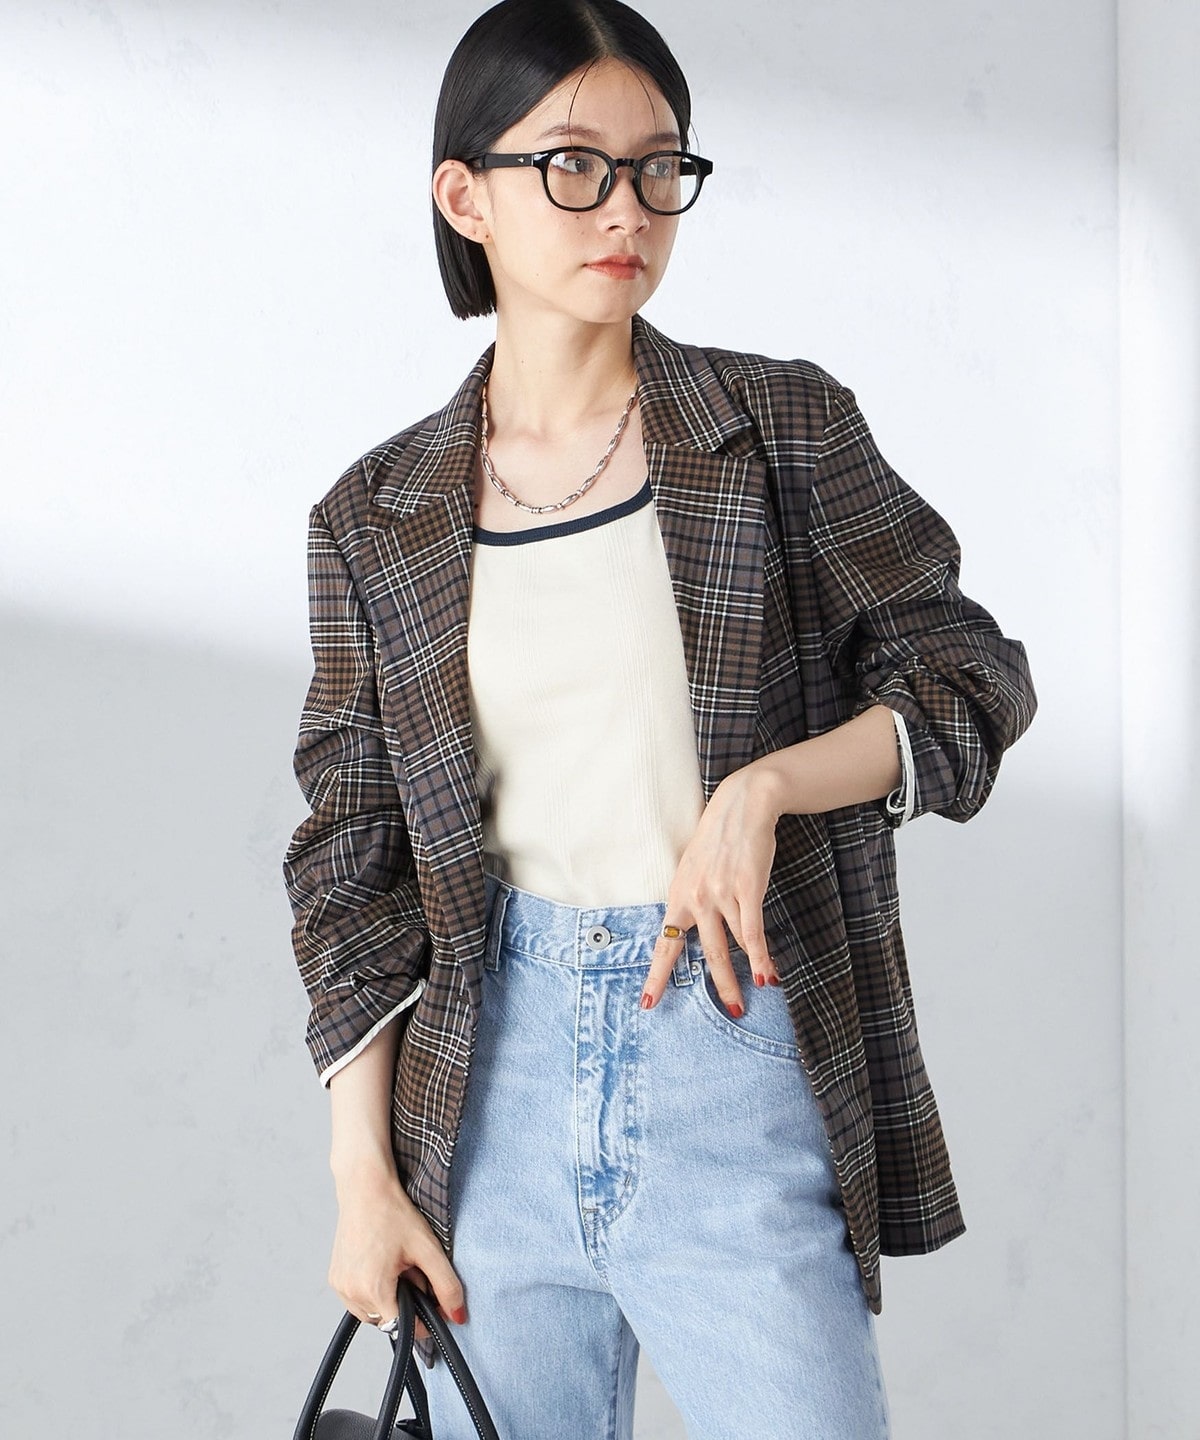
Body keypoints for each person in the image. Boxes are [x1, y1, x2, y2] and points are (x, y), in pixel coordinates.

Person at [283, 1, 1036, 1435]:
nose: (626, 208)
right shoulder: (375, 516)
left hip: (730, 1051)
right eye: (573, 165)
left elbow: (970, 680)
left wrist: (767, 788)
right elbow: (349, 865)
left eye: (657, 167)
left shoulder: (780, 429)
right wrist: (361, 1180)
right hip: (485, 1102)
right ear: (465, 196)